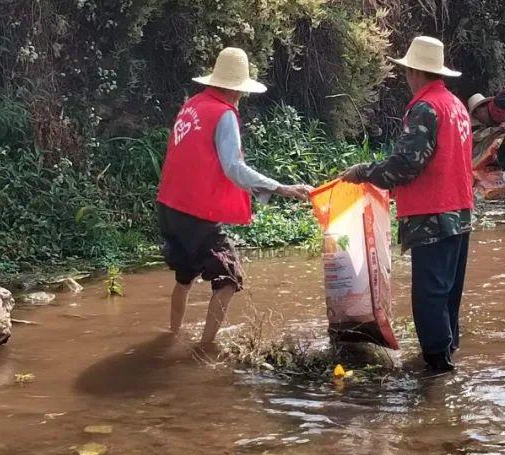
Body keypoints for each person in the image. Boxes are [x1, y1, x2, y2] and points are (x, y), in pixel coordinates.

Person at [156, 47, 312, 346]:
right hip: (194, 212)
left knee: (184, 278)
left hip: (169, 207)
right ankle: (205, 348)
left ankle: (171, 336)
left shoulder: (193, 105)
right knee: (229, 279)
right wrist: (281, 187)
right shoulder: (223, 114)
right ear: (237, 89)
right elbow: (233, 168)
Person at [339, 36, 474, 373]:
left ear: (414, 71)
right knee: (448, 290)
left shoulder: (426, 108)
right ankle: (446, 350)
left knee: (429, 294)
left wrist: (363, 173)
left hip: (433, 214)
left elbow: (405, 164)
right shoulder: (455, 105)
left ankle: (436, 367)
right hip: (459, 212)